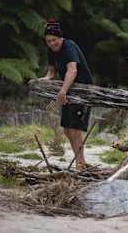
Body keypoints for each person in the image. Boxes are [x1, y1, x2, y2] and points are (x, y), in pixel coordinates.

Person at [39, 19, 94, 170]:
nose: (51, 43)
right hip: (69, 90)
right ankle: (80, 161)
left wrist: (62, 91)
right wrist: (43, 81)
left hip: (83, 90)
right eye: (48, 41)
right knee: (67, 129)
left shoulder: (69, 46)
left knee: (74, 128)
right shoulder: (51, 49)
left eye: (54, 40)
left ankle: (80, 164)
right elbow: (51, 72)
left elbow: (72, 70)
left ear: (61, 38)